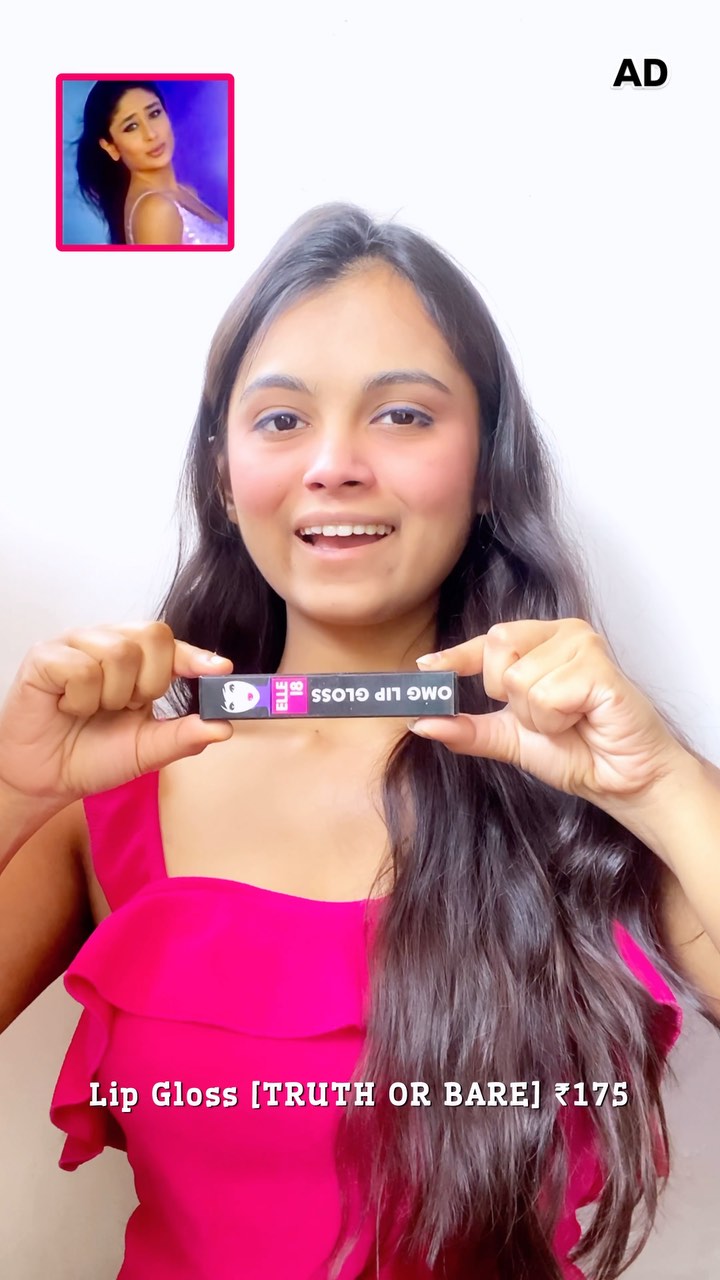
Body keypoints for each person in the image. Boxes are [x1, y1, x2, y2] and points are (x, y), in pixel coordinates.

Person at [1, 203, 719, 1280]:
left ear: (488, 465)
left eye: (403, 415)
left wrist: (661, 783)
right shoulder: (101, 801)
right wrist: (10, 791)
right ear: (222, 472)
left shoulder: (604, 799)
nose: (334, 463)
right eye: (282, 419)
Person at [74, 79, 228, 246]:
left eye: (154, 114)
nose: (151, 134)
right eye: (131, 127)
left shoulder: (186, 193)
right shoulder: (156, 210)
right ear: (110, 147)